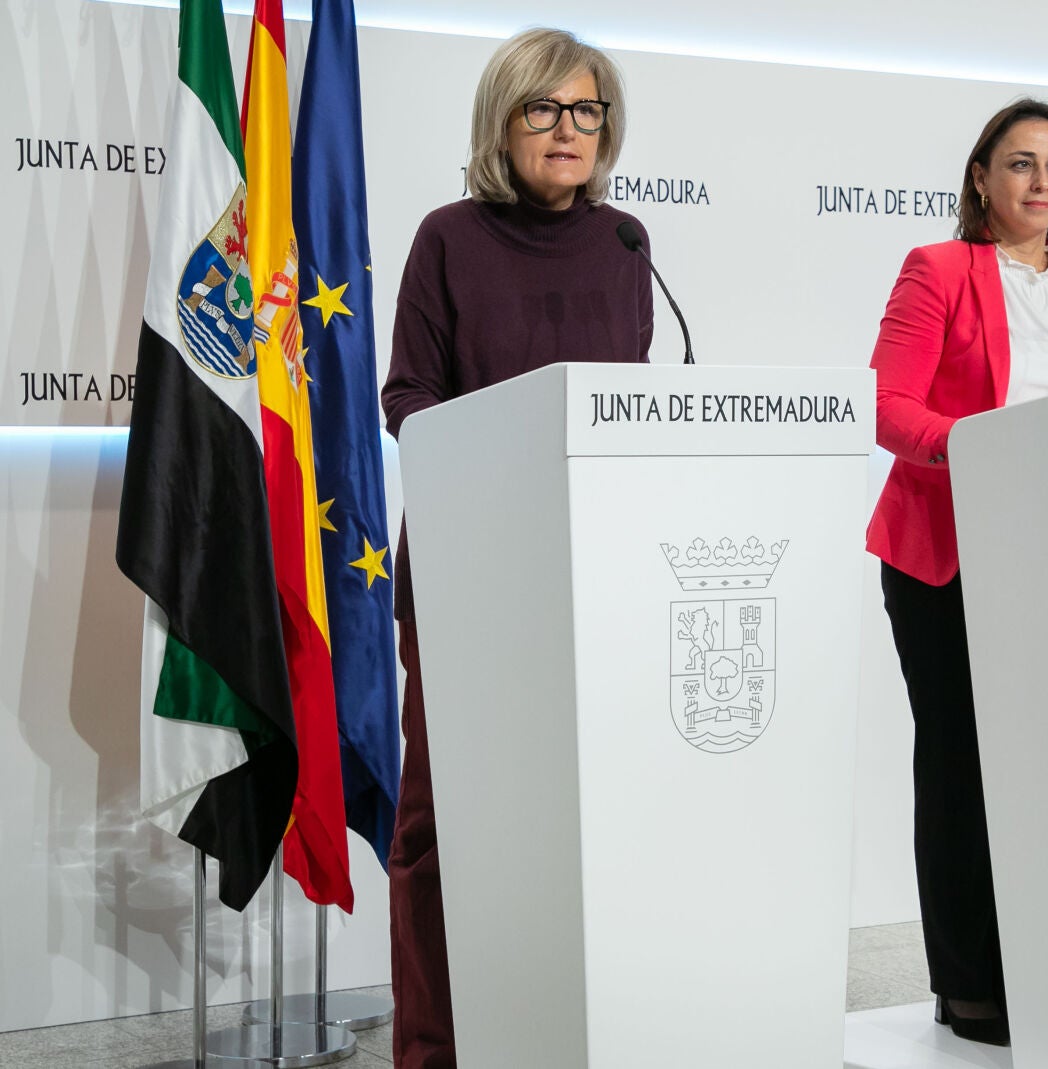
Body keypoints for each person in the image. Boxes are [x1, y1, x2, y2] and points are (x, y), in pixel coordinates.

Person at [380, 28, 653, 1068]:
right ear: (504, 122)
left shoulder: (624, 242)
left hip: (592, 577)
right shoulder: (448, 237)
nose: (568, 129)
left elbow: (627, 409)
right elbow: (409, 396)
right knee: (442, 826)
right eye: (544, 108)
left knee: (577, 826)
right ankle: (433, 1048)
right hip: (469, 578)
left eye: (586, 110)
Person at [865, 98, 1048, 1047]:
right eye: (1020, 163)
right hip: (950, 553)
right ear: (981, 176)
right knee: (964, 764)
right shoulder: (939, 269)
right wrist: (987, 451)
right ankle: (970, 984)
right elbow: (890, 408)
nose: (1041, 182)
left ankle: (1046, 967)